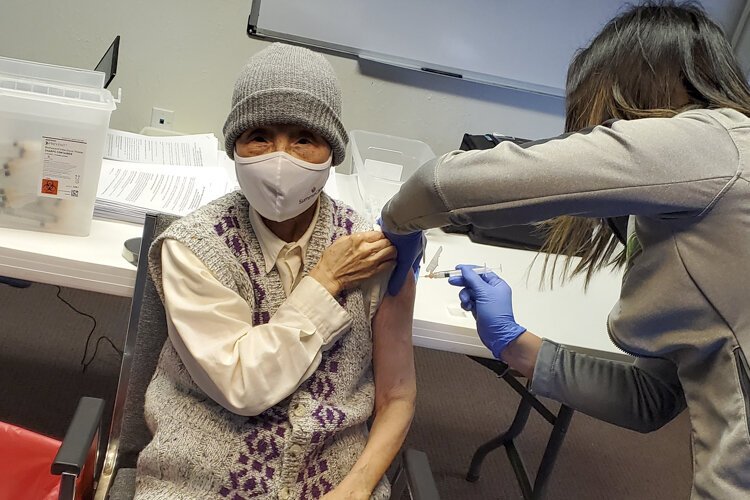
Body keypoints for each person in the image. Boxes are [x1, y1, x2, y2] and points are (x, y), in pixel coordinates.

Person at [380, 3, 750, 497]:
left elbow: (444, 183)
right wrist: (513, 342)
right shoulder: (713, 199)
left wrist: (395, 225)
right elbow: (651, 398)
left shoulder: (717, 142)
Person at [136, 43, 417, 500]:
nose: (280, 158)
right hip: (200, 474)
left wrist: (357, 487)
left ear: (332, 151)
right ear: (235, 147)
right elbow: (242, 385)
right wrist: (325, 280)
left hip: (334, 475)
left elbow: (397, 396)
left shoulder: (373, 252)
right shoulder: (195, 248)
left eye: (304, 138)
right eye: (260, 136)